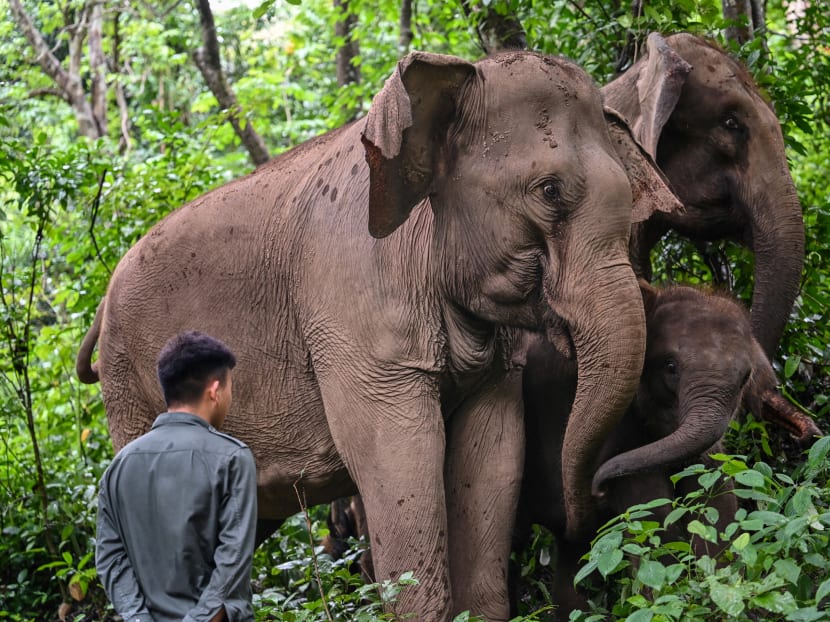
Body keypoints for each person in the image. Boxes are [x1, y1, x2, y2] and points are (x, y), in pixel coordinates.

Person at [96, 331, 257, 622]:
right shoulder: (233, 458)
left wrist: (137, 617)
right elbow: (232, 561)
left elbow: (111, 560)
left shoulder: (119, 467)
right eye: (230, 388)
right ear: (215, 390)